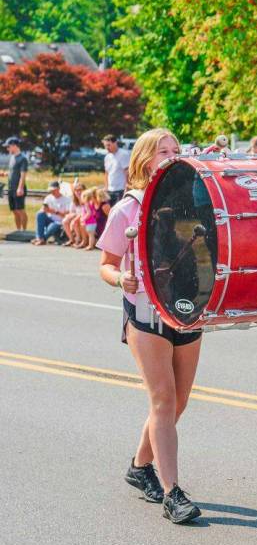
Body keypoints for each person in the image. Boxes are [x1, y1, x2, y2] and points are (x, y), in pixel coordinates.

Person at [97, 128, 204, 524]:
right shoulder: (129, 207)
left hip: (187, 308)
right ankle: (172, 492)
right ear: (144, 159)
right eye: (163, 151)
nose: (172, 155)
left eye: (177, 150)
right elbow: (106, 263)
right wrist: (119, 279)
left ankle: (140, 467)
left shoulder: (190, 202)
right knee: (162, 399)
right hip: (145, 315)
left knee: (179, 402)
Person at [33, 180, 70, 245]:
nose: (52, 192)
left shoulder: (66, 200)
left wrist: (54, 212)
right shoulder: (48, 198)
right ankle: (39, 238)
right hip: (50, 219)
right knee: (39, 214)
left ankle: (42, 239)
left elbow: (66, 215)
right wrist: (44, 209)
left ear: (58, 189)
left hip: (60, 222)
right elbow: (43, 209)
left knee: (52, 226)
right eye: (50, 191)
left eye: (53, 190)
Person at [5, 136, 29, 231]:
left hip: (19, 188)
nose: (7, 149)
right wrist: (4, 174)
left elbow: (23, 175)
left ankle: (24, 231)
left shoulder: (23, 159)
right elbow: (13, 172)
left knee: (20, 210)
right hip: (11, 188)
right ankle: (18, 230)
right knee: (14, 211)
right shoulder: (12, 158)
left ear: (14, 146)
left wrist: (20, 188)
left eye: (8, 147)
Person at [102, 134, 131, 206]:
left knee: (118, 212)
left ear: (115, 143)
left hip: (120, 189)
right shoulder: (107, 157)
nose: (107, 148)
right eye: (105, 146)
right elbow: (106, 173)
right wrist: (106, 187)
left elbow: (127, 173)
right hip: (110, 190)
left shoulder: (123, 154)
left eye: (109, 145)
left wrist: (126, 188)